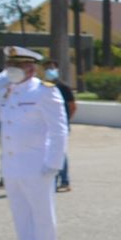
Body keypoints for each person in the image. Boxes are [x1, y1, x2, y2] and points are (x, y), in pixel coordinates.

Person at [0, 46, 68, 240]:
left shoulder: (44, 92)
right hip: (12, 164)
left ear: (31, 68)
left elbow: (59, 130)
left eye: (16, 66)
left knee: (41, 213)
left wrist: (53, 163)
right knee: (20, 214)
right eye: (10, 65)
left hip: (37, 163)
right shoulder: (7, 92)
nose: (11, 70)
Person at [41, 56, 77, 191]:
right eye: (47, 68)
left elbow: (72, 106)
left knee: (60, 152)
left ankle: (65, 181)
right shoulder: (41, 87)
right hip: (45, 125)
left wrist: (66, 121)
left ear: (57, 69)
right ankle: (51, 181)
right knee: (48, 151)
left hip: (61, 125)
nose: (49, 70)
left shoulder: (64, 87)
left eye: (52, 68)